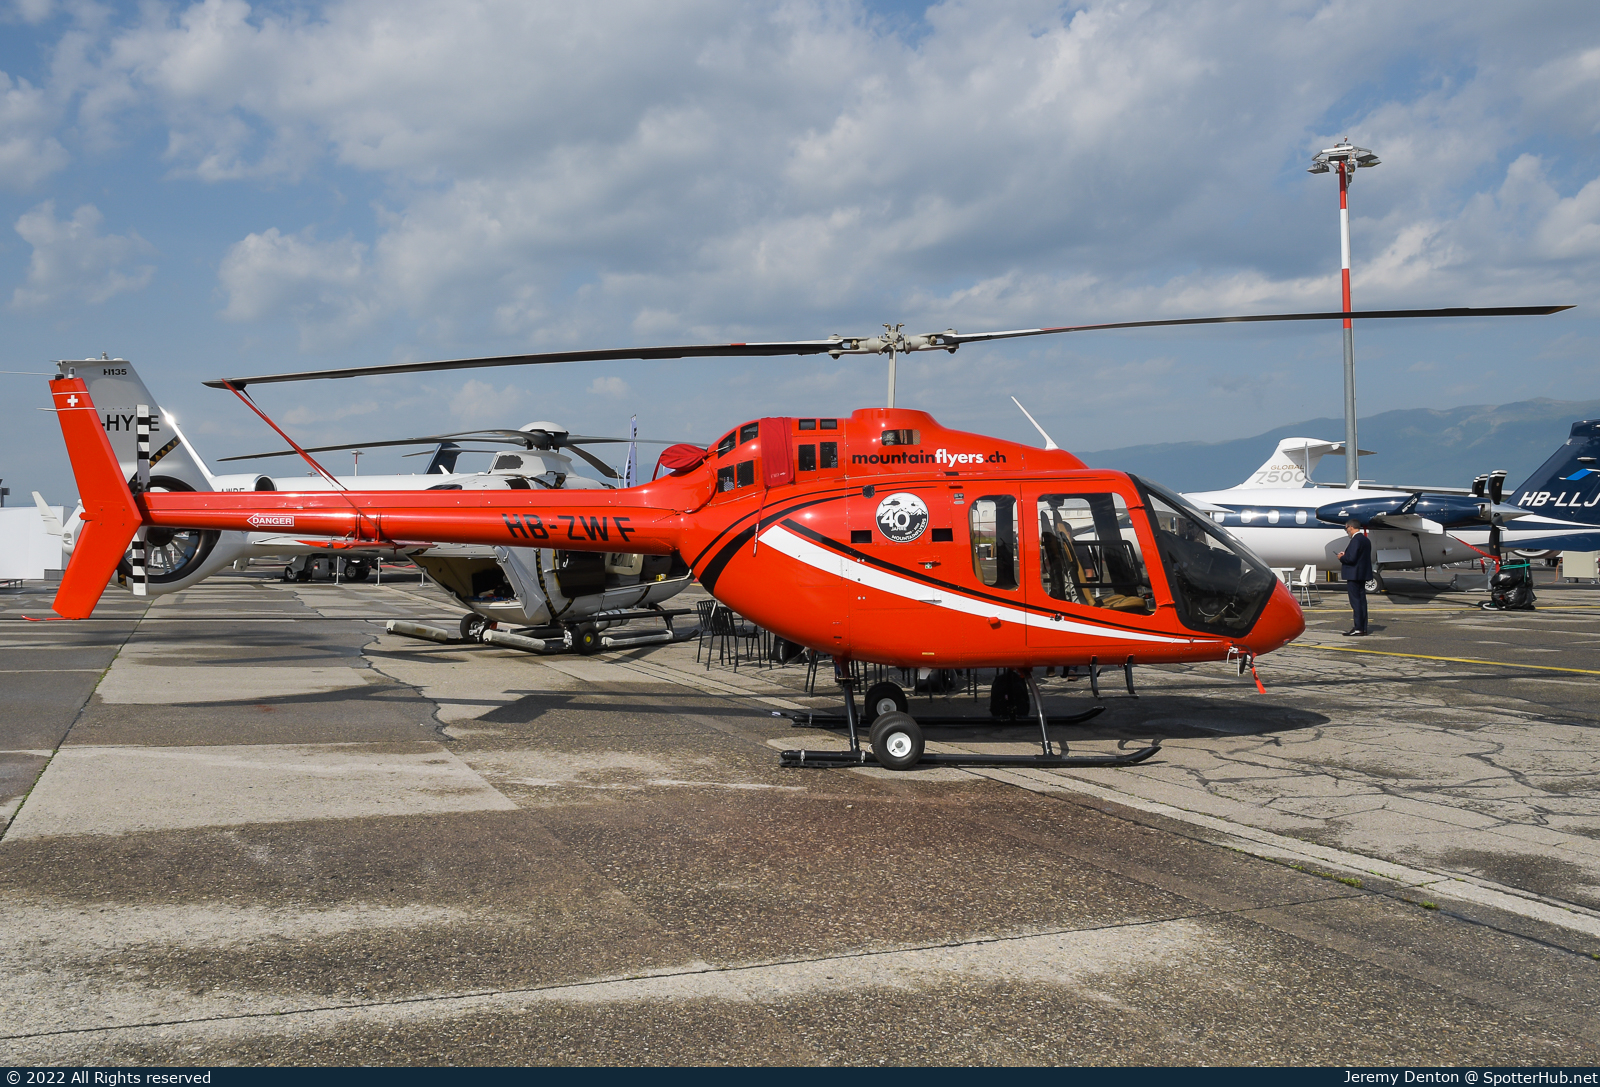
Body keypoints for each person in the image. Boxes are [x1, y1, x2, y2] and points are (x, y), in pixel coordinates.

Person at [1337, 519, 1373, 636]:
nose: (1346, 531)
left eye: (1346, 528)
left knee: (1355, 602)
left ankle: (1358, 628)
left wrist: (1341, 557)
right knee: (1362, 601)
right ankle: (1363, 627)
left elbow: (1351, 559)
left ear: (1351, 527)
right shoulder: (1365, 540)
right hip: (1362, 574)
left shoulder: (1355, 540)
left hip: (1354, 575)